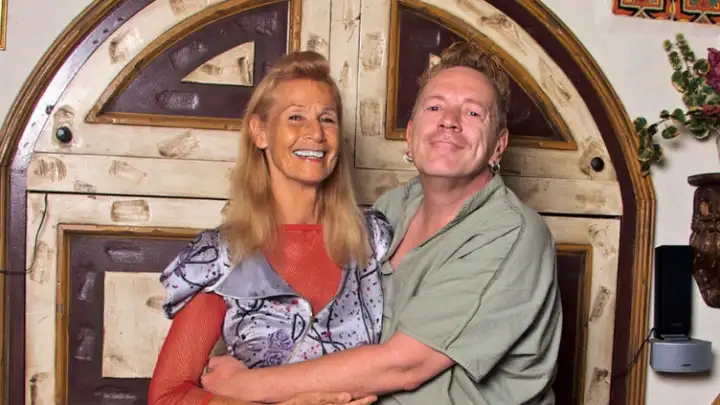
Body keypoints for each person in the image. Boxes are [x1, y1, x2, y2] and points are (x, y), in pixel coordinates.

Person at [200, 41, 563, 405]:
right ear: (410, 134)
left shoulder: (511, 233)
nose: (449, 121)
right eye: (435, 107)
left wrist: (246, 386)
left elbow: (405, 365)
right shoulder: (391, 209)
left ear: (499, 145)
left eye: (472, 113)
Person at [147, 50, 392, 405]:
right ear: (260, 131)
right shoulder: (220, 257)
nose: (316, 133)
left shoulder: (375, 240)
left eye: (327, 119)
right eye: (296, 117)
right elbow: (168, 397)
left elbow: (416, 358)